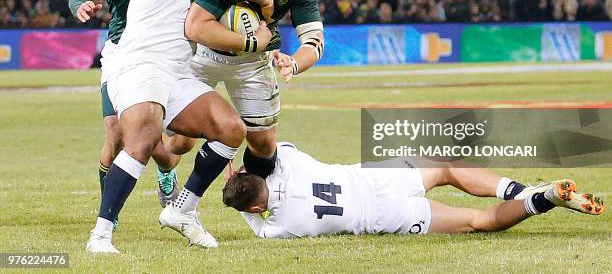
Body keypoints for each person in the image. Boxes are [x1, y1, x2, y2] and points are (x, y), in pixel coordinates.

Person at [85, 0, 274, 253]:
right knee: (141, 139)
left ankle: (182, 210)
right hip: (140, 65)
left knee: (230, 127)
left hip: (173, 72)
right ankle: (101, 234)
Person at [167, 0, 324, 183]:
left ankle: (249, 200)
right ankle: (165, 169)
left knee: (264, 145)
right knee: (181, 143)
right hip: (205, 55)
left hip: (252, 64)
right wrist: (253, 41)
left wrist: (293, 63)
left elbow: (314, 41)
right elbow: (195, 27)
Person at [68, 0, 181, 211]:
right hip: (123, 53)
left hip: (167, 54)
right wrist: (82, 6)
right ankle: (108, 216)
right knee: (116, 133)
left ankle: (166, 171)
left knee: (155, 143)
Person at [223, 143, 605, 238]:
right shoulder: (291, 162)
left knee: (478, 222)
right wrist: (235, 170)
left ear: (256, 207)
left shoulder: (283, 226)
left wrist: (241, 200)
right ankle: (521, 190)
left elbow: (258, 222)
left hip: (384, 217)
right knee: (446, 166)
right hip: (378, 178)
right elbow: (267, 152)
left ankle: (542, 199)